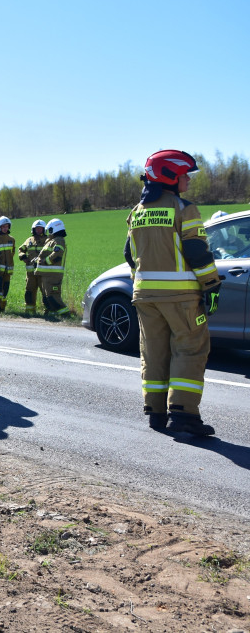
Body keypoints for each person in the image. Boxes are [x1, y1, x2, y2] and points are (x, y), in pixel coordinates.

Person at [124, 150, 220, 436]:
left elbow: (130, 256)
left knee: (154, 352)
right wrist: (212, 285)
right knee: (190, 350)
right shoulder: (183, 208)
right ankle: (184, 416)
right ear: (169, 177)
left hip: (144, 297)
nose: (188, 179)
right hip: (181, 298)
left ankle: (156, 412)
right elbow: (196, 251)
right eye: (184, 174)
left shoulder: (136, 212)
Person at [34, 218, 70, 317]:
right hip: (47, 275)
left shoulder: (58, 240)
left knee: (53, 297)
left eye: (48, 230)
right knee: (47, 297)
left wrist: (45, 261)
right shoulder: (52, 240)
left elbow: (57, 253)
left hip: (53, 275)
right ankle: (53, 314)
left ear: (53, 229)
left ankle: (66, 315)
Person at [17, 220, 48, 315]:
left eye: (40, 228)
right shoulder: (29, 240)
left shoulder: (48, 240)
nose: (38, 230)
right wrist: (23, 257)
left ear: (44, 229)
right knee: (29, 291)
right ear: (33, 230)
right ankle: (30, 311)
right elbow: (21, 249)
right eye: (36, 229)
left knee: (45, 292)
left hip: (43, 272)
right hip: (30, 273)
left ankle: (48, 311)